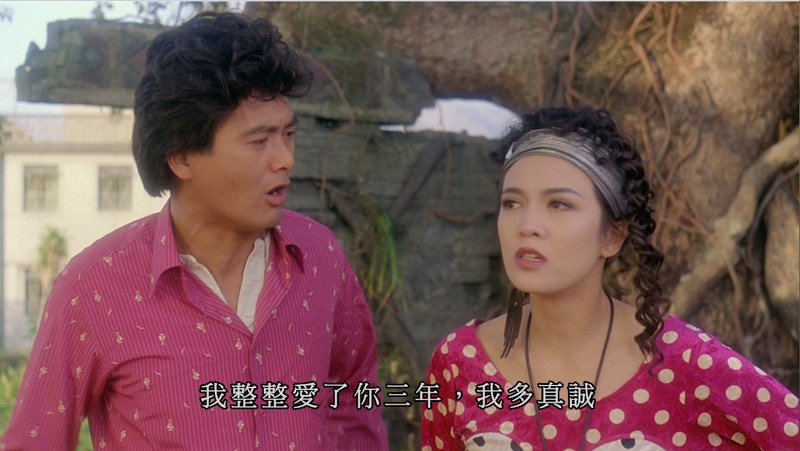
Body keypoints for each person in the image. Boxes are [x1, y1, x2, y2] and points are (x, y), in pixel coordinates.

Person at [2, 11, 388, 450]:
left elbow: (354, 398)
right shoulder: (94, 288)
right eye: (259, 141)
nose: (285, 159)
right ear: (182, 157)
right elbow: (35, 439)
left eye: (289, 134)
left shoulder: (319, 256)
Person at [421, 107, 799, 450]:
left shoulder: (685, 363)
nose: (527, 225)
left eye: (559, 204)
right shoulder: (460, 360)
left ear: (612, 236)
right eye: (512, 203)